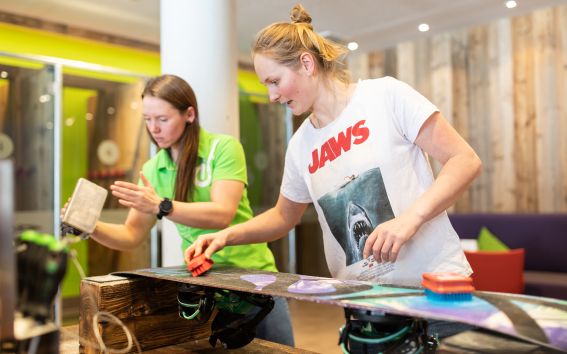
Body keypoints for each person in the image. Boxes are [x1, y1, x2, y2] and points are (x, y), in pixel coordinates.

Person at [186, 4, 481, 289]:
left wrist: (410, 219)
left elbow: (463, 160)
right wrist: (225, 236)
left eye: (275, 81)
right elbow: (283, 216)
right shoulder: (300, 145)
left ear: (306, 63)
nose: (272, 95)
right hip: (362, 300)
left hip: (435, 284)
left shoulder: (385, 96)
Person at [61, 74, 294, 346]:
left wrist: (162, 206)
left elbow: (222, 213)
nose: (154, 128)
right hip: (204, 285)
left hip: (254, 281)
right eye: (147, 119)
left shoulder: (223, 148)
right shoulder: (152, 169)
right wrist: (91, 227)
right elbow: (131, 234)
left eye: (162, 119)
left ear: (189, 114)